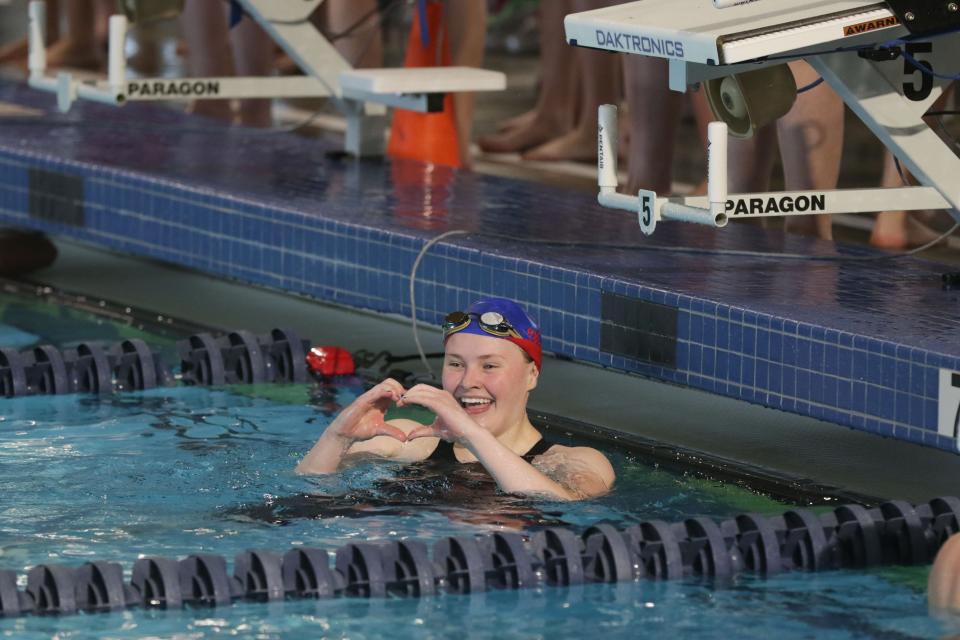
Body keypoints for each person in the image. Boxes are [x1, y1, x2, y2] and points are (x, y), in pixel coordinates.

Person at [296, 297, 615, 501]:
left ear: (532, 375)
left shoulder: (574, 461)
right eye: (456, 364)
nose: (467, 382)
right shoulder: (409, 440)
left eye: (489, 366)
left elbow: (559, 507)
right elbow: (310, 491)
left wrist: (472, 435)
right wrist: (337, 436)